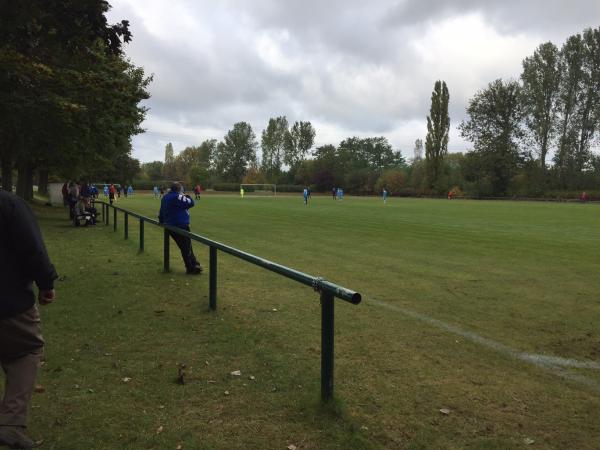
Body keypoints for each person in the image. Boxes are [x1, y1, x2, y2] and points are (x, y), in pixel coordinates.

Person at [0, 191, 58, 449]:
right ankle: (10, 423)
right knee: (27, 349)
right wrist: (46, 283)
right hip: (8, 299)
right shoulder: (8, 204)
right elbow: (32, 248)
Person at [158, 182, 203, 275]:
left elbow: (161, 212)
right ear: (179, 189)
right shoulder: (177, 196)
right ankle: (191, 268)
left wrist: (162, 221)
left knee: (185, 246)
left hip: (169, 225)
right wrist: (187, 196)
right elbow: (191, 203)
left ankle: (194, 264)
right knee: (186, 247)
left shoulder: (165, 197)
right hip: (180, 225)